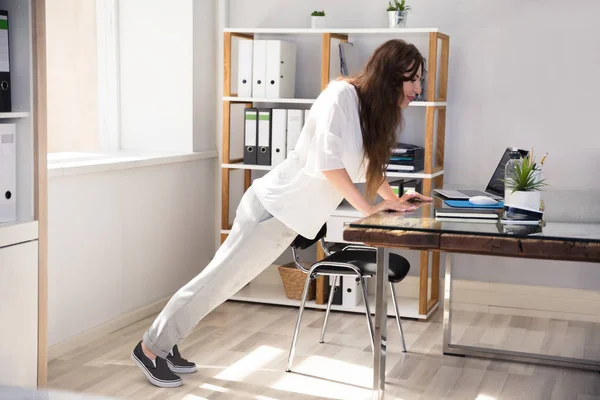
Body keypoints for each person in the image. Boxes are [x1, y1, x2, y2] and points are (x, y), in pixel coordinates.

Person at [130, 38, 432, 387]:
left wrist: (391, 199)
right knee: (216, 281)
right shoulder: (340, 97)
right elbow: (329, 165)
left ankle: (165, 344)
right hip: (271, 209)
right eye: (412, 79)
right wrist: (368, 210)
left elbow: (370, 166)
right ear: (389, 76)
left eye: (419, 80)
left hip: (287, 218)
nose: (418, 89)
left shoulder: (369, 112)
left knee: (222, 284)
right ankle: (151, 347)